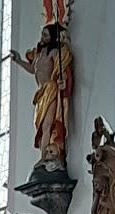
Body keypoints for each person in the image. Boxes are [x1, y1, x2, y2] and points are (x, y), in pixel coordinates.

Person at [11, 21, 74, 169]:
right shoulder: (40, 54)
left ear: (52, 37)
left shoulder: (55, 52)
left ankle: (44, 157)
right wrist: (18, 61)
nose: (42, 37)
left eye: (46, 35)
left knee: (47, 124)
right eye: (42, 34)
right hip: (41, 92)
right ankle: (44, 154)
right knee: (40, 125)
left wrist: (63, 80)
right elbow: (33, 69)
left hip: (51, 90)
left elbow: (62, 69)